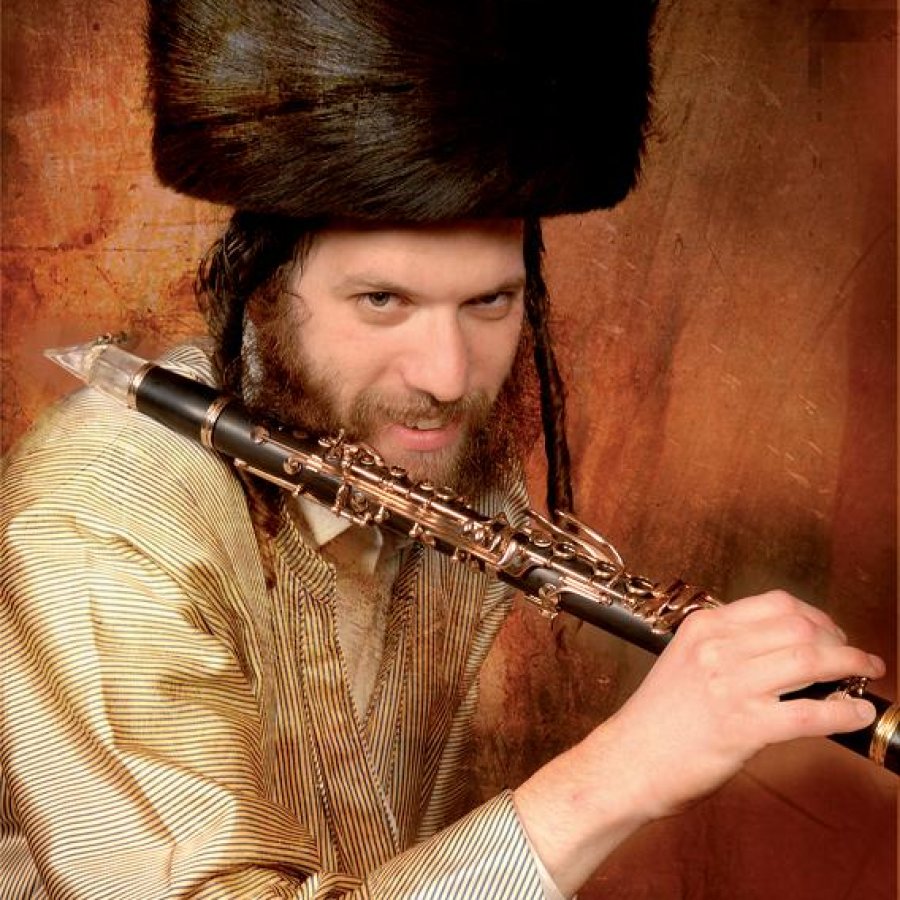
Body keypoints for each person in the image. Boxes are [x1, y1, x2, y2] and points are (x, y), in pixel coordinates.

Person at [0, 2, 885, 898]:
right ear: (262, 291)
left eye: (489, 303)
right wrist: (622, 771)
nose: (448, 377)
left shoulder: (456, 472)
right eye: (383, 301)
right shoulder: (100, 517)